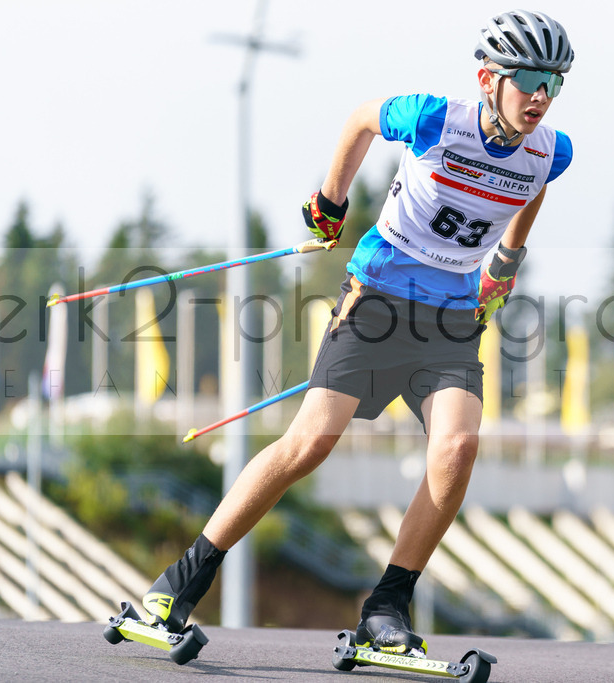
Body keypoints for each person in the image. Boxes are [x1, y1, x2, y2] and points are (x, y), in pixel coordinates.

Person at [141, 9, 574, 654]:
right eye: (530, 78)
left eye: (555, 82)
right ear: (489, 78)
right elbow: (362, 118)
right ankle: (177, 585)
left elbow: (530, 189)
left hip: (452, 319)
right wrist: (331, 201)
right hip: (378, 297)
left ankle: (385, 607)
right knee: (310, 444)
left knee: (456, 449)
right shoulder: (434, 118)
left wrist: (503, 269)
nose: (541, 95)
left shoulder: (552, 151)